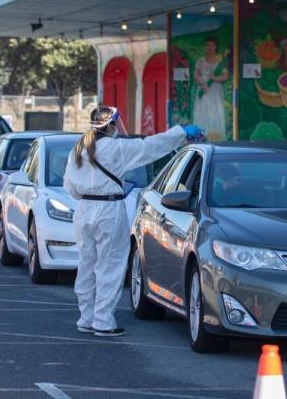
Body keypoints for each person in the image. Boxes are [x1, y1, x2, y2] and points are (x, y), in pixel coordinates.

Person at [63, 106, 203, 337]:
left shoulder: (79, 148)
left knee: (86, 265)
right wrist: (181, 133)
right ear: (111, 125)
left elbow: (70, 186)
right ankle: (103, 322)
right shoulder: (116, 148)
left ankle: (86, 319)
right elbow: (150, 146)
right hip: (108, 209)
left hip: (84, 209)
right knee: (110, 266)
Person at [192, 38, 229, 141]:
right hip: (203, 89)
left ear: (215, 47)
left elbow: (225, 76)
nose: (209, 47)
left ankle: (217, 136)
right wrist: (203, 83)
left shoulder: (219, 62)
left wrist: (214, 78)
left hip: (215, 90)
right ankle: (201, 136)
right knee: (202, 110)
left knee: (216, 111)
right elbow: (195, 75)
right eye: (207, 45)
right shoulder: (200, 61)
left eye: (211, 45)